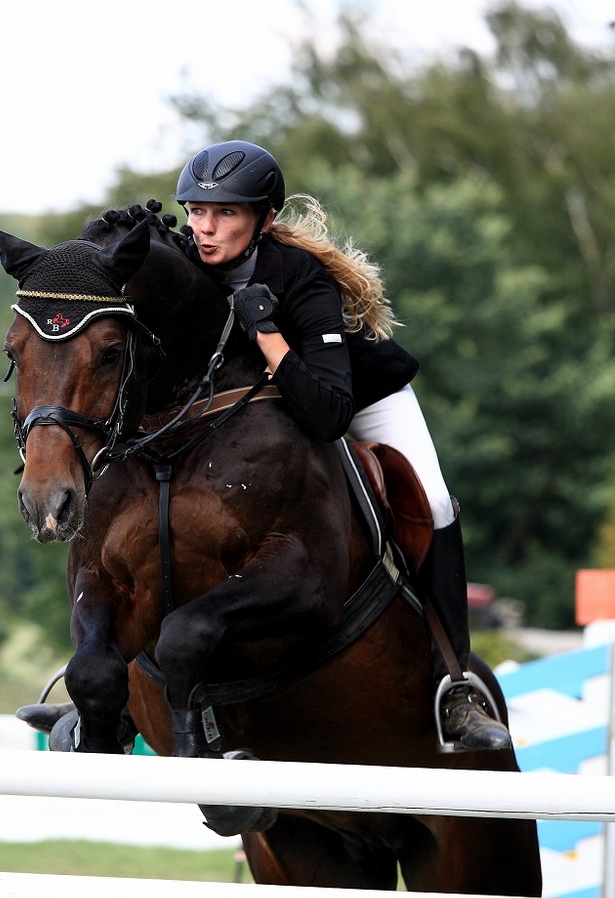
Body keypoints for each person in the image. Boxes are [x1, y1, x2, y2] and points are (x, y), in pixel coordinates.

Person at [172, 140, 511, 753]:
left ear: (264, 220)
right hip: (258, 415)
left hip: (354, 394)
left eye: (225, 214)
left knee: (433, 503)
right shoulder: (185, 264)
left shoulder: (302, 278)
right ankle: (104, 689)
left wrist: (268, 333)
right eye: (197, 210)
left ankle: (455, 686)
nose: (205, 227)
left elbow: (329, 413)